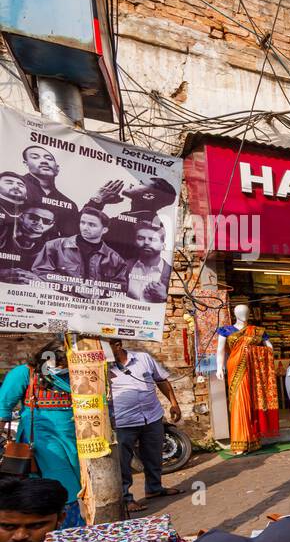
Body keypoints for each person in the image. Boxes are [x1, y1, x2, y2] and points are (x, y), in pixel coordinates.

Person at [0, 343, 83, 527]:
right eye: (60, 362)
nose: (63, 366)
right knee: (61, 482)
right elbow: (3, 405)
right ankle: (65, 529)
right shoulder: (25, 373)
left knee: (79, 482)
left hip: (74, 437)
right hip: (42, 439)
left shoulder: (76, 374)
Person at [107, 338, 182, 513]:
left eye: (107, 346)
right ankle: (126, 498)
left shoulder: (143, 358)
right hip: (123, 421)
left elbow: (161, 380)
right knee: (123, 463)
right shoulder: (103, 367)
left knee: (154, 455)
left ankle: (154, 489)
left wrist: (174, 403)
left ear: (117, 345)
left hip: (151, 416)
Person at [30, 205, 130, 299]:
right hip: (60, 304)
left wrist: (100, 291)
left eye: (92, 225)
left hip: (95, 309)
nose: (85, 227)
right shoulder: (54, 246)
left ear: (104, 230)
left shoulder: (115, 258)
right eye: (83, 222)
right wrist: (76, 287)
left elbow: (121, 287)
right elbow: (40, 272)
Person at [19, 145, 79, 238]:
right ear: (25, 163)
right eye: (35, 157)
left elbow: (70, 241)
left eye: (49, 158)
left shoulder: (69, 204)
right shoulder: (12, 186)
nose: (44, 161)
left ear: (57, 169)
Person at [124, 221, 171, 303]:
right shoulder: (124, 266)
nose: (146, 242)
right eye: (141, 238)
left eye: (152, 239)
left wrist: (165, 297)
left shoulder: (171, 273)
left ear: (163, 245)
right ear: (135, 242)